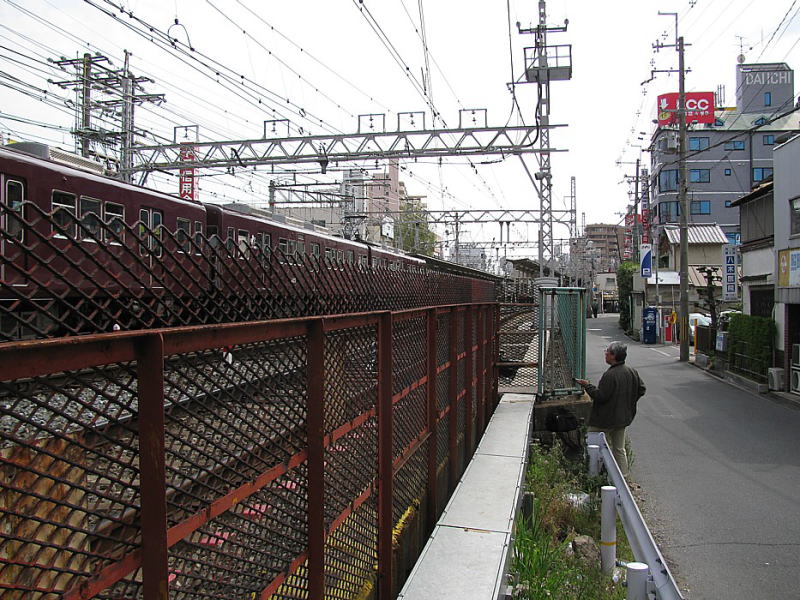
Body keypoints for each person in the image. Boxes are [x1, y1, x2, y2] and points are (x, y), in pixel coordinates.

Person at [575, 341, 645, 476]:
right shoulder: (631, 371)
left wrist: (587, 385)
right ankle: (623, 477)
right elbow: (642, 389)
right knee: (619, 448)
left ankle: (593, 471)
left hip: (606, 420)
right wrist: (629, 401)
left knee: (591, 439)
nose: (605, 354)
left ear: (613, 356)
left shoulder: (610, 375)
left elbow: (600, 396)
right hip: (623, 418)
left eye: (607, 352)